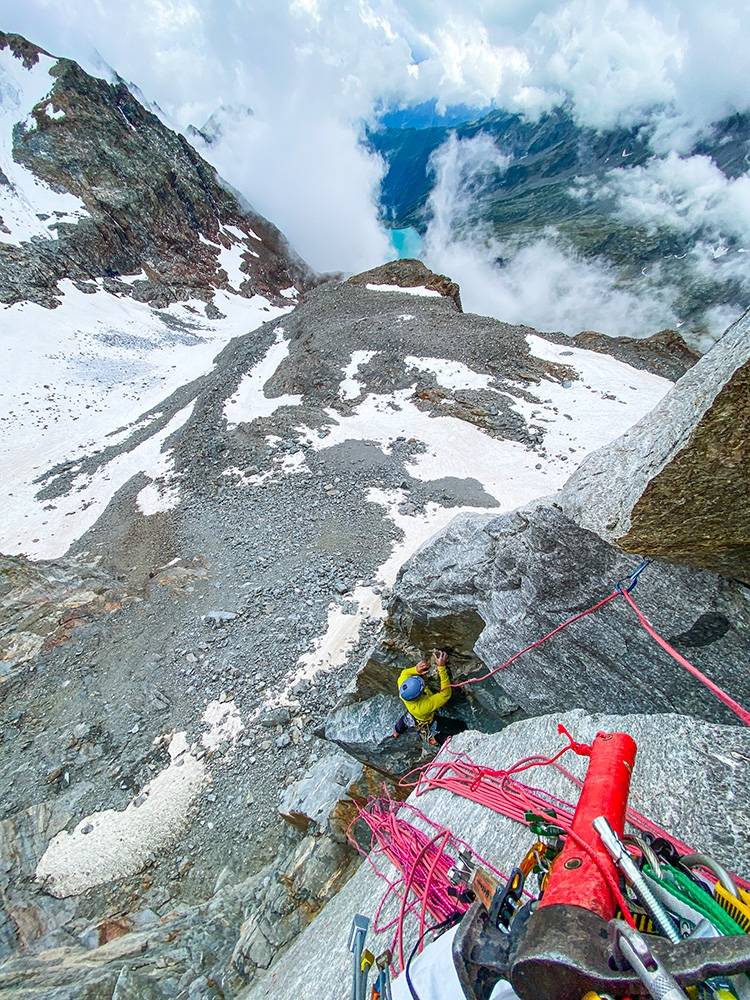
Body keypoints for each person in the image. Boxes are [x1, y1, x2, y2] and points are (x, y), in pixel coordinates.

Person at [393, 649, 467, 747]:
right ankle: (436, 739)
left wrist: (416, 669)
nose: (423, 681)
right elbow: (445, 695)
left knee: (405, 720)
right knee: (460, 727)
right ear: (419, 695)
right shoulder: (423, 707)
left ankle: (396, 732)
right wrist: (441, 668)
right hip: (427, 720)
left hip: (412, 713)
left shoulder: (403, 685)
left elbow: (404, 673)